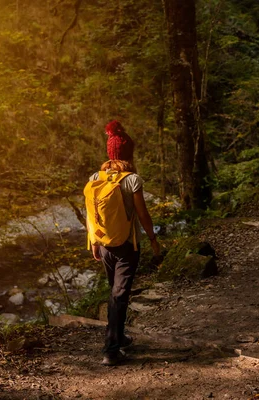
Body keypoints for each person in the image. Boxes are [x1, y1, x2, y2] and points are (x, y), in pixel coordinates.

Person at [89, 120, 161, 366]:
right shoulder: (132, 180)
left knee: (115, 294)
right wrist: (153, 240)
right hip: (127, 247)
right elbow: (143, 216)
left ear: (110, 153)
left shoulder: (95, 177)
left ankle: (119, 336)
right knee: (119, 295)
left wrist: (93, 242)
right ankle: (111, 350)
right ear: (129, 154)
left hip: (104, 245)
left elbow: (92, 214)